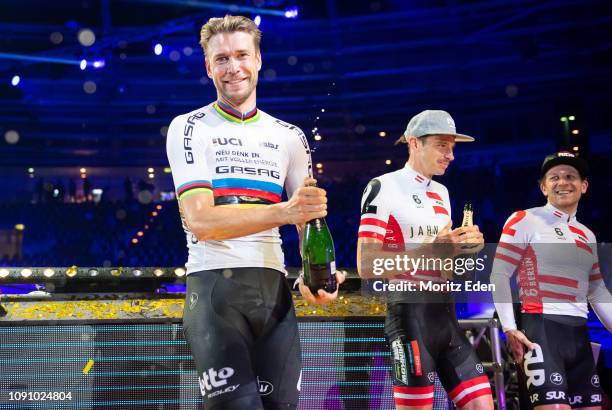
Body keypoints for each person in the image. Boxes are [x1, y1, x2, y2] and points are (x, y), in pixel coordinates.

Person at [165, 15, 344, 410]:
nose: (234, 68)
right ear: (208, 67)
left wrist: (320, 277)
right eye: (222, 59)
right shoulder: (189, 128)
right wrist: (287, 211)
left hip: (275, 295)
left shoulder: (291, 137)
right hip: (215, 293)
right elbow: (202, 222)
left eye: (242, 55)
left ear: (259, 59)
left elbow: (309, 223)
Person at [357, 110, 494, 410]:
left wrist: (464, 248)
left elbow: (442, 263)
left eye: (453, 147)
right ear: (414, 143)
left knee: (483, 405)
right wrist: (433, 249)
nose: (451, 155)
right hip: (409, 319)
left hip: (446, 316)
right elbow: (366, 265)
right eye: (443, 145)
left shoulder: (441, 193)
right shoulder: (383, 186)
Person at [491, 151, 612, 410]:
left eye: (570, 176)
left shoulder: (587, 234)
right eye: (554, 177)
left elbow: (598, 291)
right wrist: (510, 327)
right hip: (540, 331)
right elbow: (499, 273)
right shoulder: (525, 219)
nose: (562, 182)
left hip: (579, 336)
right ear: (543, 187)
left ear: (584, 186)